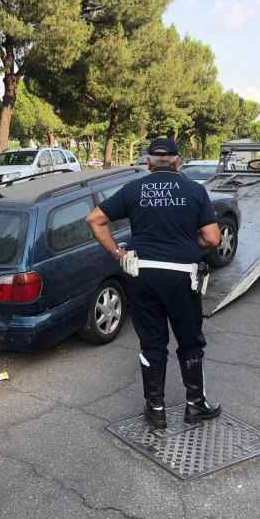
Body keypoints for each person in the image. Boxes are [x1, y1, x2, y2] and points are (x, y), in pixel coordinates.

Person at [86, 138, 222, 428]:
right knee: (190, 340)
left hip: (143, 275)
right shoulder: (194, 190)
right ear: (179, 161)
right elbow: (212, 238)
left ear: (148, 163)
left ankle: (155, 410)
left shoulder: (133, 189)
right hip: (183, 276)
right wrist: (188, 243)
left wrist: (118, 254)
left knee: (152, 343)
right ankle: (196, 405)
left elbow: (95, 219)